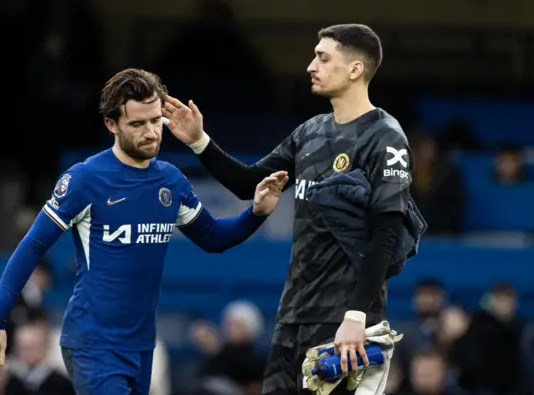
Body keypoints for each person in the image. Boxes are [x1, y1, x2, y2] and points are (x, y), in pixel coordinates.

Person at [0, 68, 288, 395]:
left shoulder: (170, 180)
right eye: (137, 124)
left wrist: (255, 213)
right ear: (112, 125)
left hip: (141, 346)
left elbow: (213, 237)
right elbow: (32, 247)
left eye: (155, 121)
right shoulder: (85, 180)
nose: (151, 132)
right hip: (93, 343)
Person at [163, 24, 412, 395]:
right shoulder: (310, 132)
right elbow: (250, 184)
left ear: (355, 69)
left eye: (323, 58)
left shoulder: (385, 136)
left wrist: (356, 316)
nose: (311, 65)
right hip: (293, 313)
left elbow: (387, 234)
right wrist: (199, 141)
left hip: (344, 318)